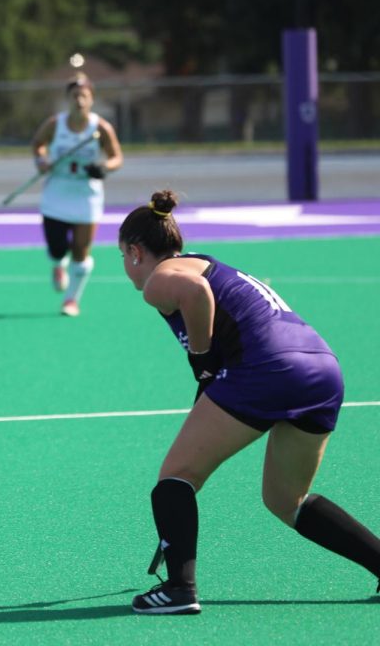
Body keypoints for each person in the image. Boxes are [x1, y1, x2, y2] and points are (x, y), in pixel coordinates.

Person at [119, 189, 380, 615]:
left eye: (123, 257)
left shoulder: (161, 278)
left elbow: (196, 292)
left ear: (135, 251)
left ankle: (180, 589)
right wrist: (212, 368)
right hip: (321, 370)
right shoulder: (206, 259)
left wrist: (201, 360)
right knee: (286, 499)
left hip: (266, 372)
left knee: (176, 476)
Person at [29, 71, 123, 316]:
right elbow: (38, 144)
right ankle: (58, 265)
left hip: (86, 194)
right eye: (74, 96)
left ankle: (71, 299)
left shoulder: (100, 128)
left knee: (81, 250)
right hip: (57, 193)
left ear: (91, 99)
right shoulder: (55, 124)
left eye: (84, 96)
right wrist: (42, 160)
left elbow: (116, 157)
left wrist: (103, 168)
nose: (79, 100)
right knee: (57, 248)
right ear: (67, 99)